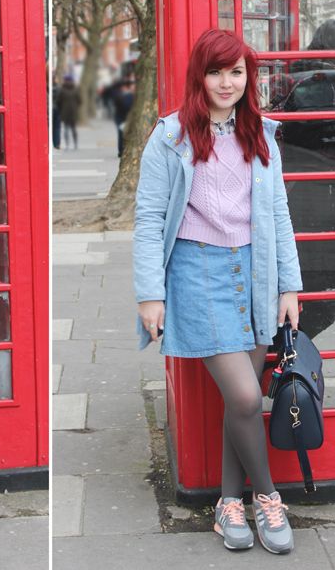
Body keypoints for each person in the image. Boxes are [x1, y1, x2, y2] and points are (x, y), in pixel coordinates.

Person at [134, 28, 302, 555]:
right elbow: (148, 217)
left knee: (240, 400)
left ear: (249, 76)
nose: (227, 83)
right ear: (198, 77)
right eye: (215, 72)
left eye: (236, 72)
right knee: (247, 396)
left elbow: (278, 213)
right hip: (198, 273)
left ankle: (229, 504)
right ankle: (268, 498)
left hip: (255, 273)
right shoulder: (170, 137)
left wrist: (289, 285)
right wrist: (150, 294)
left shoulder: (261, 136)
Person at [56, 75, 81, 150]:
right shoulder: (76, 90)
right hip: (74, 112)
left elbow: (58, 102)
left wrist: (61, 109)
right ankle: (75, 144)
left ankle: (67, 144)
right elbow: (80, 101)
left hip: (64, 112)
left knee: (66, 128)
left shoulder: (62, 90)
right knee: (73, 128)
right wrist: (76, 107)